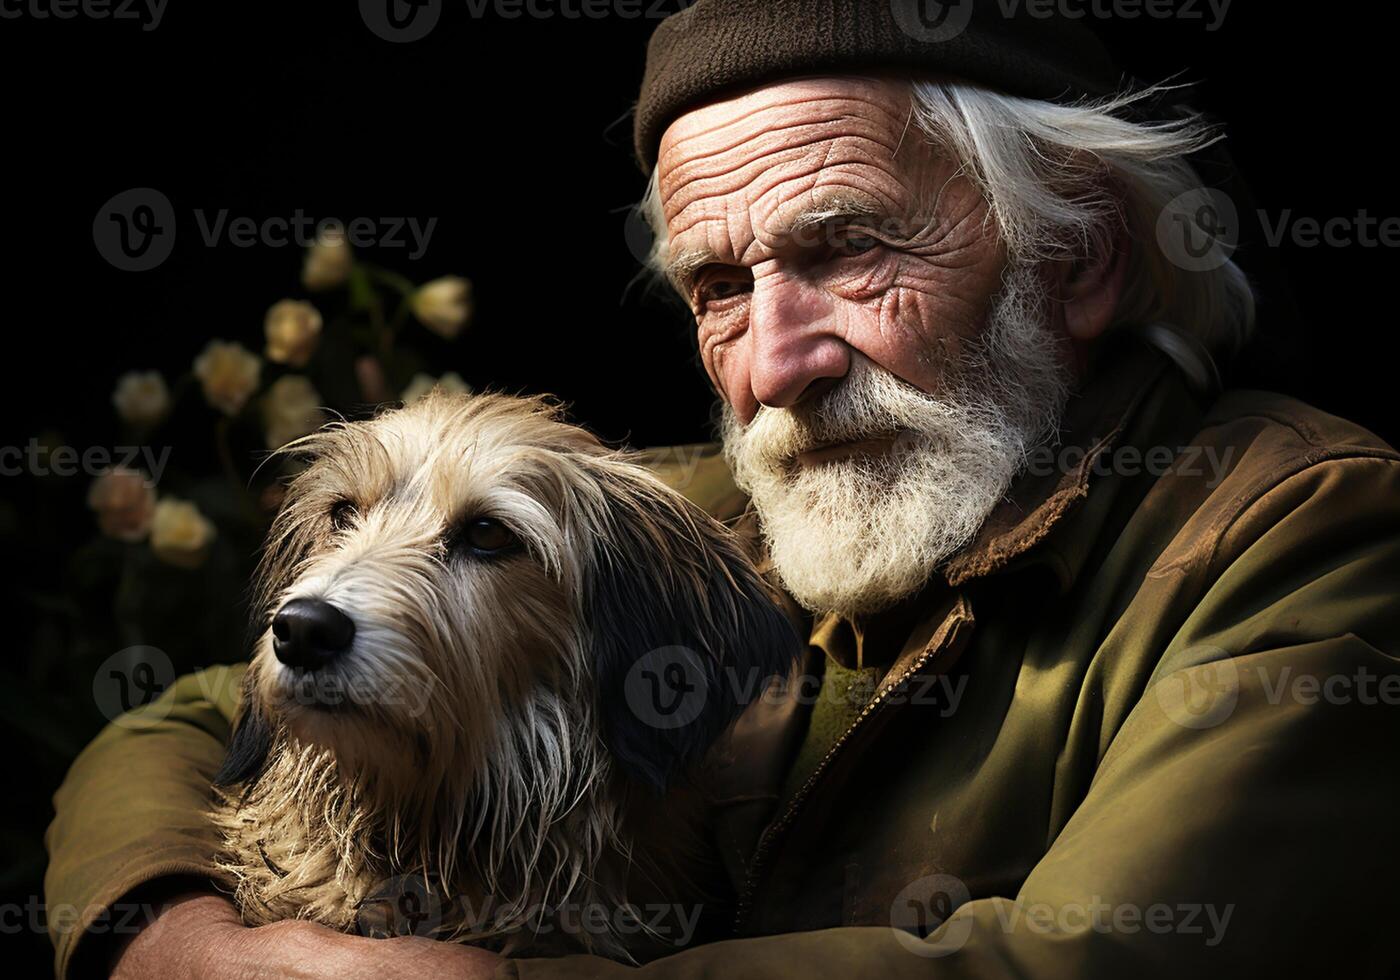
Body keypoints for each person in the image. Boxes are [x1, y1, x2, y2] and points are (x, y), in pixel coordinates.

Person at [46, 1, 1400, 977]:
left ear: (1082, 257)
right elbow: (201, 708)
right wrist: (178, 937)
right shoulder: (729, 507)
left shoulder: (1308, 535)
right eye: (718, 288)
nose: (776, 362)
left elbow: (1084, 967)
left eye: (851, 248)